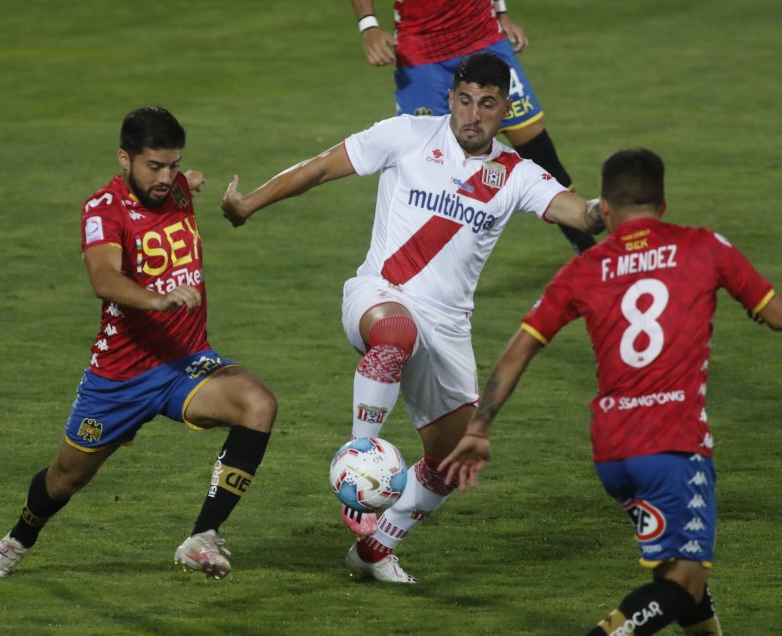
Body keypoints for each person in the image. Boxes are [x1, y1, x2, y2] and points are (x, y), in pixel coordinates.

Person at [221, 52, 603, 583]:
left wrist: (609, 209)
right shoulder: (407, 134)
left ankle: (375, 551)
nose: (472, 115)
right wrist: (249, 204)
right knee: (395, 334)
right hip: (379, 294)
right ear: (451, 97)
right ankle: (361, 464)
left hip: (447, 327)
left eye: (487, 105)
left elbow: (578, 213)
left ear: (504, 110)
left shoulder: (515, 174)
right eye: (464, 100)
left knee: (452, 460)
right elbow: (320, 167)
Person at [440, 148, 782, 634]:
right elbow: (775, 315)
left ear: (605, 206)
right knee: (682, 585)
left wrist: (479, 426)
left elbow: (519, 349)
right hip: (675, 446)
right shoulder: (704, 247)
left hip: (614, 453)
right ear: (662, 204)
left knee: (684, 582)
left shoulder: (583, 270)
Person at [0, 107, 277, 581]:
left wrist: (189, 180)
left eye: (174, 164)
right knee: (64, 479)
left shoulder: (175, 189)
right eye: (154, 166)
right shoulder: (103, 209)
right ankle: (17, 539)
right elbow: (104, 278)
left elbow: (179, 184)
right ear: (125, 158)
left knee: (258, 404)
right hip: (121, 376)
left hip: (186, 362)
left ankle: (202, 538)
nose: (167, 176)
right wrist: (157, 300)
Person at [349, 0, 597, 255]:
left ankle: (592, 256)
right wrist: (368, 25)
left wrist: (501, 13)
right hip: (422, 53)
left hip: (484, 37)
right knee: (425, 170)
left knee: (542, 155)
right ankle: (405, 273)